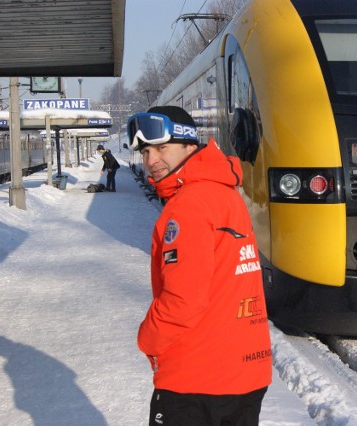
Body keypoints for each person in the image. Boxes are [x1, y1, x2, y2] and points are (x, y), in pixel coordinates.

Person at [127, 106, 272, 426]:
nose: (151, 160)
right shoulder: (224, 192)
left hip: (196, 380)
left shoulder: (188, 205)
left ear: (189, 145)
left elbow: (183, 301)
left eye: (162, 148)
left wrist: (147, 339)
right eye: (146, 151)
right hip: (245, 372)